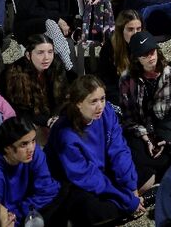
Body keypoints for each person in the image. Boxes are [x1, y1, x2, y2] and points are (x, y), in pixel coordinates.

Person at [46, 75, 145, 224]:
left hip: (101, 169)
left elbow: (119, 150)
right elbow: (87, 176)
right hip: (73, 181)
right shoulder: (65, 134)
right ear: (79, 103)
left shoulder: (107, 111)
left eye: (102, 99)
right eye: (93, 101)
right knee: (93, 209)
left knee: (143, 172)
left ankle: (128, 202)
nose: (100, 106)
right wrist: (126, 199)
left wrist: (131, 187)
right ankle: (127, 205)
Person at [119, 32, 171, 195]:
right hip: (142, 130)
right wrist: (146, 138)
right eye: (144, 54)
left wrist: (166, 139)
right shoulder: (127, 79)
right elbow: (129, 117)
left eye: (152, 51)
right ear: (136, 58)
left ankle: (166, 176)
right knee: (137, 162)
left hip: (169, 130)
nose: (150, 56)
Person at [0, 116, 73, 226]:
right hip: (3, 221)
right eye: (24, 144)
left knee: (66, 191)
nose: (31, 148)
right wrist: (17, 216)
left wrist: (22, 210)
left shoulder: (33, 153)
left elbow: (48, 189)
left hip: (18, 211)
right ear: (7, 148)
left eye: (33, 141)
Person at [3, 34, 69, 144]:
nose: (46, 57)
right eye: (40, 53)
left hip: (52, 117)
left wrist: (55, 117)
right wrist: (47, 121)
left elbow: (62, 96)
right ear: (28, 55)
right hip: (28, 120)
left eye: (50, 52)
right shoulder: (17, 74)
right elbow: (20, 109)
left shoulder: (56, 65)